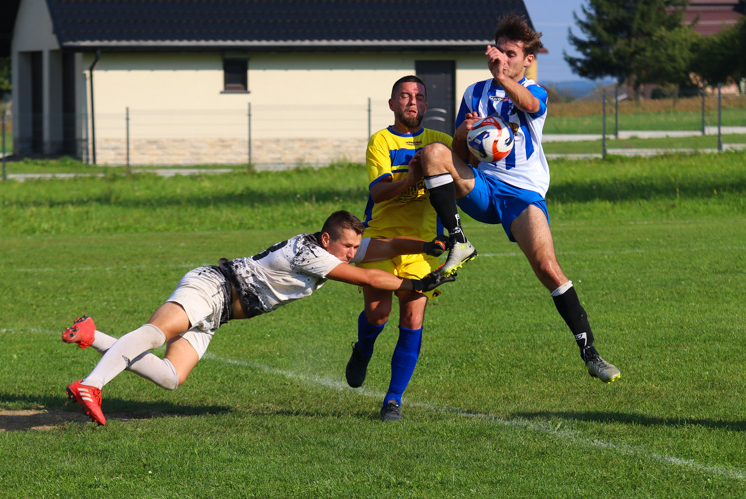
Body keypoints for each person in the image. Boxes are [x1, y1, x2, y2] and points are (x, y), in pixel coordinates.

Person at [62, 210, 454, 425]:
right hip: (214, 286)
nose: (351, 252)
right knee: (157, 332)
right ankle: (92, 385)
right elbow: (370, 276)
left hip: (220, 314)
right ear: (326, 240)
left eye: (354, 246)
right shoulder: (312, 253)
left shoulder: (331, 247)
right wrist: (420, 283)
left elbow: (381, 247)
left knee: (170, 377)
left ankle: (92, 335)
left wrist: (425, 246)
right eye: (346, 246)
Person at [417, 14, 620, 382]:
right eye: (500, 51)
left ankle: (590, 351)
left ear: (527, 59)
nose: (504, 58)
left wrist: (502, 77)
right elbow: (458, 155)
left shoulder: (534, 90)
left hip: (522, 195)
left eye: (511, 54)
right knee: (433, 154)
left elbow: (527, 103)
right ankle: (458, 241)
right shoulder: (473, 93)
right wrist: (466, 132)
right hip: (481, 185)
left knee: (547, 267)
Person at [345, 75, 476, 422]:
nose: (412, 101)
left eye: (418, 96)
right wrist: (410, 179)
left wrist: (468, 136)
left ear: (426, 105)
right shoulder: (381, 141)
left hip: (423, 246)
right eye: (404, 96)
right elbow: (378, 193)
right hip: (381, 240)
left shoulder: (438, 142)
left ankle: (393, 401)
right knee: (378, 314)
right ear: (392, 104)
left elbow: (466, 171)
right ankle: (364, 347)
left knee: (412, 317)